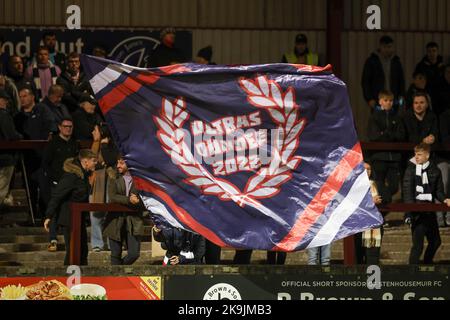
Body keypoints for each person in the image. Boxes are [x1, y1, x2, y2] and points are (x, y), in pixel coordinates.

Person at [44, 149, 98, 265]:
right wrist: (49, 216)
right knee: (73, 251)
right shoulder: (71, 176)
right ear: (85, 161)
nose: (95, 163)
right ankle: (66, 277)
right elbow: (57, 195)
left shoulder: (83, 175)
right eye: (93, 161)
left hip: (79, 219)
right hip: (69, 219)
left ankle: (83, 278)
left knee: (82, 251)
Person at [403, 143, 450, 264]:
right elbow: (408, 193)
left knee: (435, 242)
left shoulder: (435, 170)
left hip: (430, 212)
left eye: (419, 154)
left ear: (427, 155)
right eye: (415, 154)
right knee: (418, 246)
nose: (416, 157)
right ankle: (411, 273)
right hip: (417, 214)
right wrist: (409, 213)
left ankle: (427, 264)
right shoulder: (411, 170)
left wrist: (445, 199)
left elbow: (438, 191)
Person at [15, 87, 55, 219]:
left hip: (42, 156)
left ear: (32, 97)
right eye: (20, 96)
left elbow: (50, 126)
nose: (22, 99)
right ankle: (32, 214)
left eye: (25, 95)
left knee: (44, 186)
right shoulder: (18, 116)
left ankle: (46, 215)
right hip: (27, 157)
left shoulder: (42, 110)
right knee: (30, 187)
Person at [42, 117, 78, 252]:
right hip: (56, 182)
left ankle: (71, 241)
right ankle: (53, 239)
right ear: (59, 127)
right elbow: (45, 164)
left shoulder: (74, 144)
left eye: (70, 126)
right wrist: (53, 179)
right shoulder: (53, 144)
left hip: (71, 184)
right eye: (65, 126)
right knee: (54, 209)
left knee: (69, 211)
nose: (68, 128)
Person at [104, 157, 145, 265]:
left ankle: (118, 270)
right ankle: (115, 277)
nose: (118, 166)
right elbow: (112, 196)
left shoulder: (140, 179)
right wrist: (129, 200)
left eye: (121, 163)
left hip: (134, 220)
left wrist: (138, 201)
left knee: (134, 254)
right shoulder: (113, 177)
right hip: (115, 219)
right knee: (115, 254)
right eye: (117, 163)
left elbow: (146, 197)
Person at [368, 90, 405, 206]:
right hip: (379, 157)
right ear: (380, 102)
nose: (388, 103)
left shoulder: (398, 117)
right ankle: (382, 215)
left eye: (391, 100)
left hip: (394, 158)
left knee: (394, 187)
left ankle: (385, 201)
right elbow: (373, 136)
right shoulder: (374, 117)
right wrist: (390, 134)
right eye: (386, 100)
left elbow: (401, 136)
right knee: (379, 184)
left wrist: (385, 133)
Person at [361, 35, 405, 113]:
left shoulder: (396, 62)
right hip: (377, 101)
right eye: (385, 47)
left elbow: (401, 80)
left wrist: (401, 96)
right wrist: (369, 99)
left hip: (393, 101)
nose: (387, 49)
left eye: (389, 47)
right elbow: (365, 81)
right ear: (380, 47)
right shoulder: (372, 61)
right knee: (378, 121)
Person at [355, 162, 383, 264]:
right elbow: (352, 203)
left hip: (374, 225)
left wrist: (380, 199)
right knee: (358, 256)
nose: (367, 171)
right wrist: (370, 202)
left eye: (369, 169)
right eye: (364, 169)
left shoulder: (377, 184)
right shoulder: (353, 185)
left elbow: (387, 197)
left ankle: (371, 279)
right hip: (358, 226)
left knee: (373, 257)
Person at [0, 89, 22, 208]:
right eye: (4, 100)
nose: (6, 103)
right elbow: (11, 135)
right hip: (5, 158)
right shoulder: (3, 114)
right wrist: (20, 136)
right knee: (1, 190)